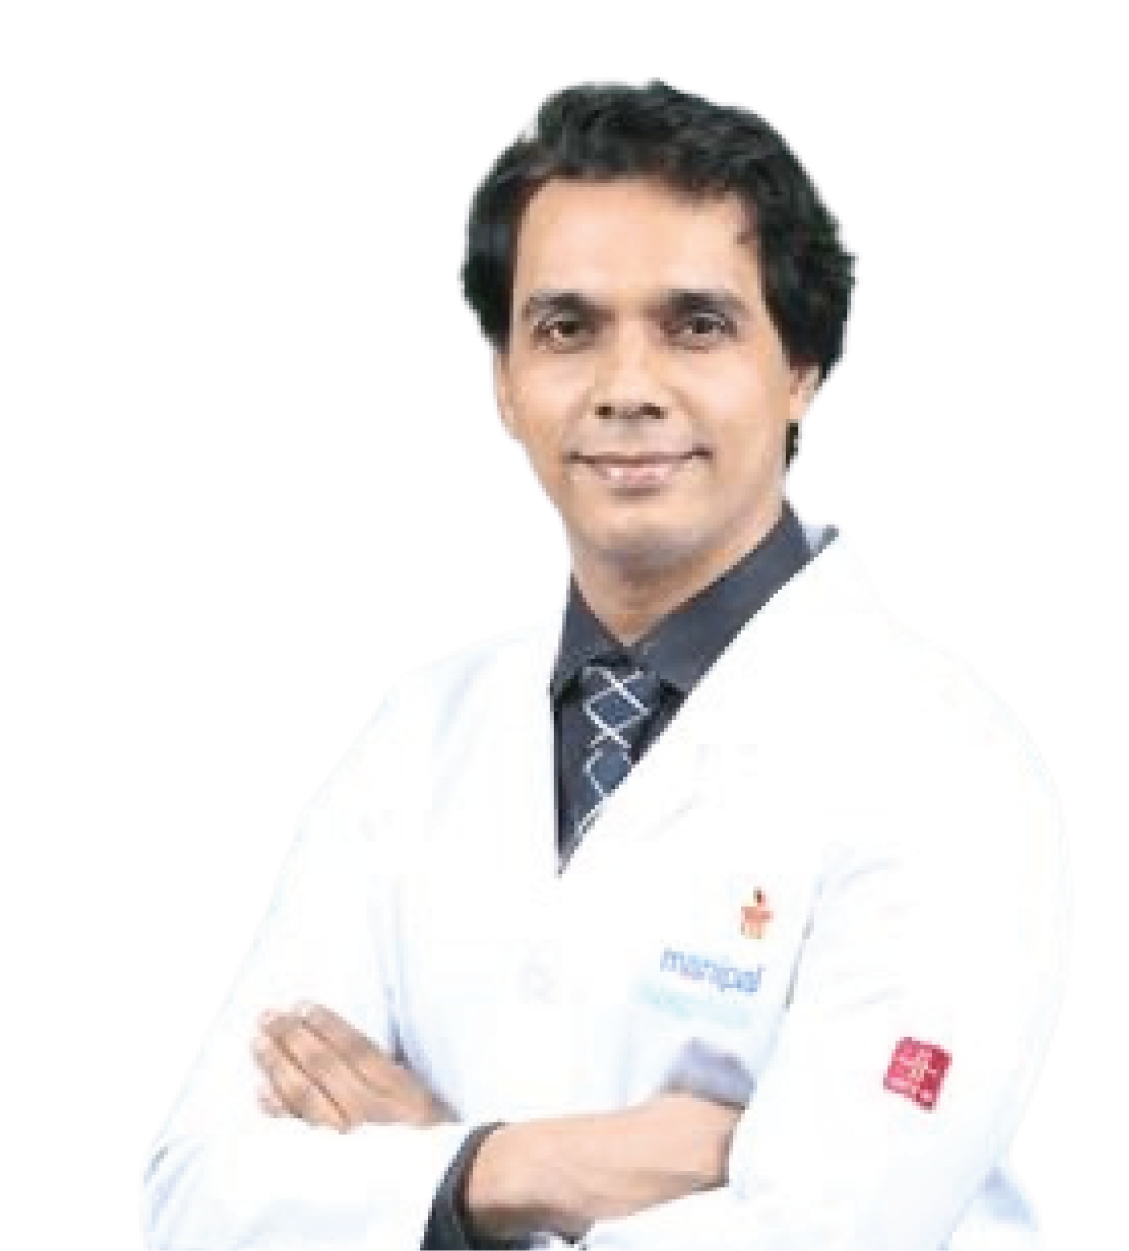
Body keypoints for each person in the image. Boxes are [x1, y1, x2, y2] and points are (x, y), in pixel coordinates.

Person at [144, 81, 1066, 1251]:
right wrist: (507, 1169)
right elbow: (197, 1198)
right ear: (505, 379)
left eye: (696, 325)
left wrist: (414, 1183)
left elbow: (819, 1235)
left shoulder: (944, 767)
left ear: (802, 368)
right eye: (567, 328)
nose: (627, 390)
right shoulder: (422, 737)